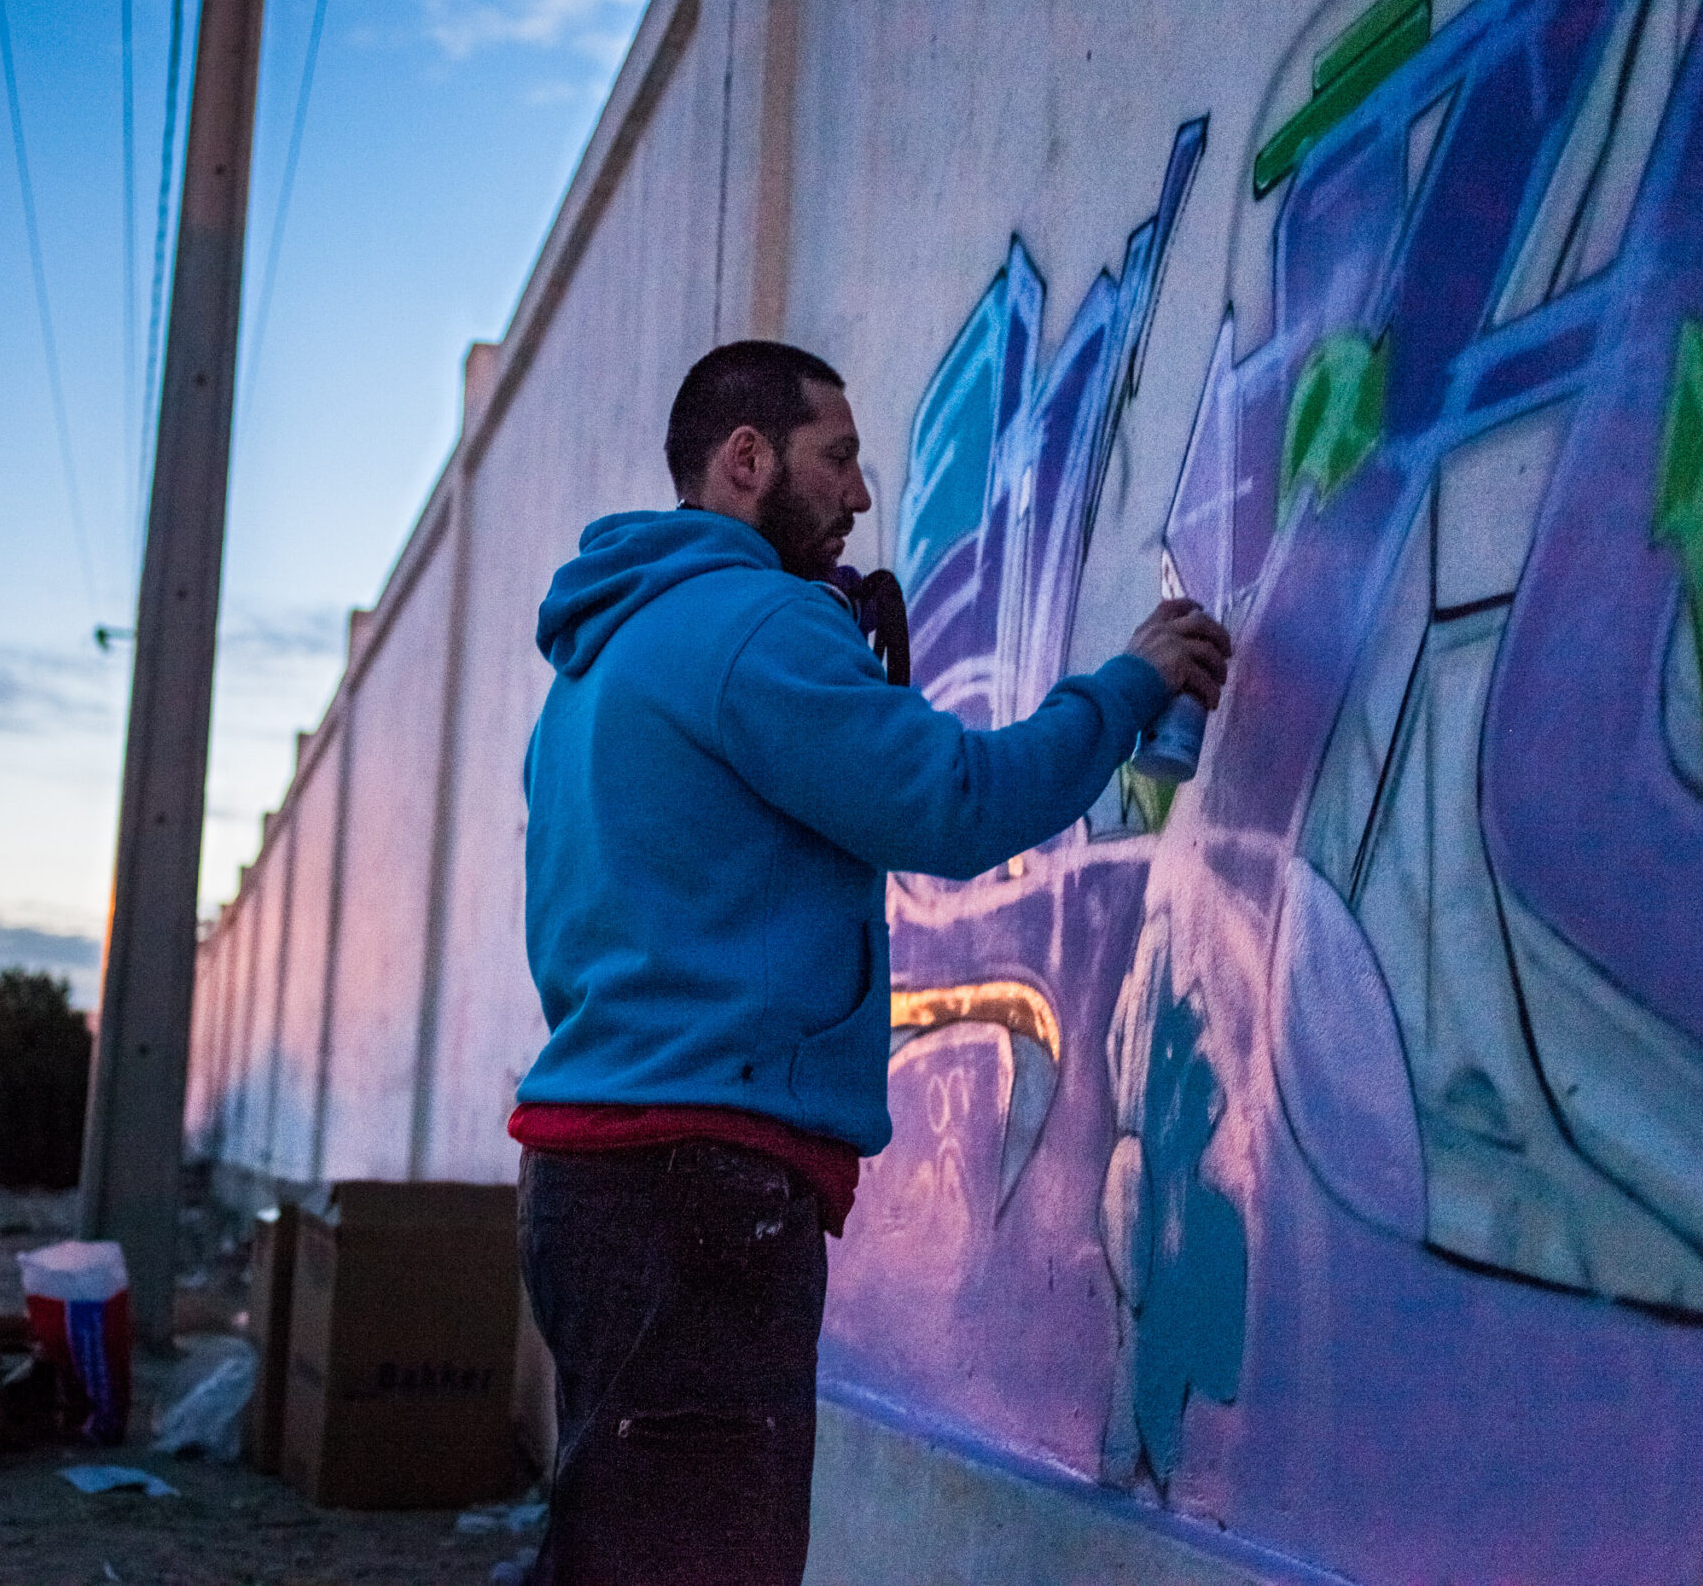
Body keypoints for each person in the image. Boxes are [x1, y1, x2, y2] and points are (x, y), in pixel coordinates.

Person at [506, 341, 1232, 1586]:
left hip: (595, 1187)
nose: (857, 497)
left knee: (622, 1550)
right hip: (697, 1192)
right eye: (835, 457)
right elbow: (951, 803)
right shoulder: (755, 623)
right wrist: (1128, 686)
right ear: (747, 459)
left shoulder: (596, 665)